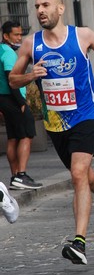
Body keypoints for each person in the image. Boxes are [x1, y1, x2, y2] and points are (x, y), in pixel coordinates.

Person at [9, 0, 94, 265]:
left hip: (84, 115)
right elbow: (12, 80)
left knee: (78, 174)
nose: (40, 10)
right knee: (85, 176)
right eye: (37, 6)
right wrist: (31, 74)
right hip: (55, 122)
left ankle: (79, 241)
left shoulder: (83, 35)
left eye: (45, 5)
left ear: (61, 8)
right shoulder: (31, 44)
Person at [0, 21, 42, 190]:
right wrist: (21, 102)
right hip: (13, 98)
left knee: (13, 137)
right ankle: (21, 175)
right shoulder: (9, 53)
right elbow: (12, 79)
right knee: (27, 134)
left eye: (20, 34)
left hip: (3, 99)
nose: (20, 37)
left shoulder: (1, 50)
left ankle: (15, 176)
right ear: (6, 36)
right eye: (16, 35)